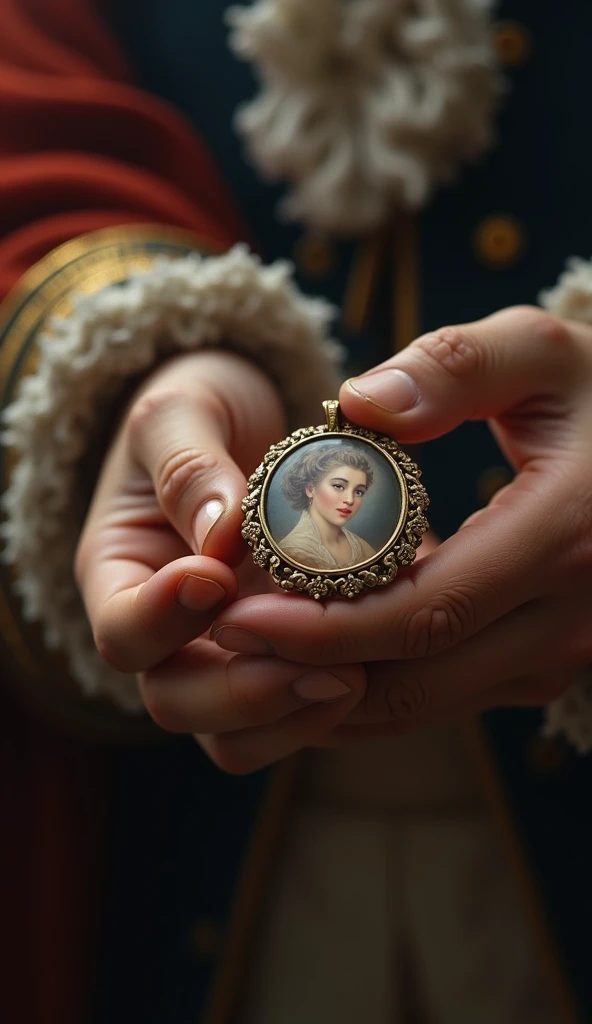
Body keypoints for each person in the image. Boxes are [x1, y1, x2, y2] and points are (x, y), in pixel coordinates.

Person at [1, 2, 592, 1022]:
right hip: (173, 859)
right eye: (341, 485)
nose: (349, 489)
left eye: (357, 490)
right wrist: (135, 369)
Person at [278, 444, 377, 570]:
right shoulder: (294, 550)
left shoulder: (360, 545)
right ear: (310, 489)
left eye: (359, 492)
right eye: (338, 486)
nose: (350, 500)